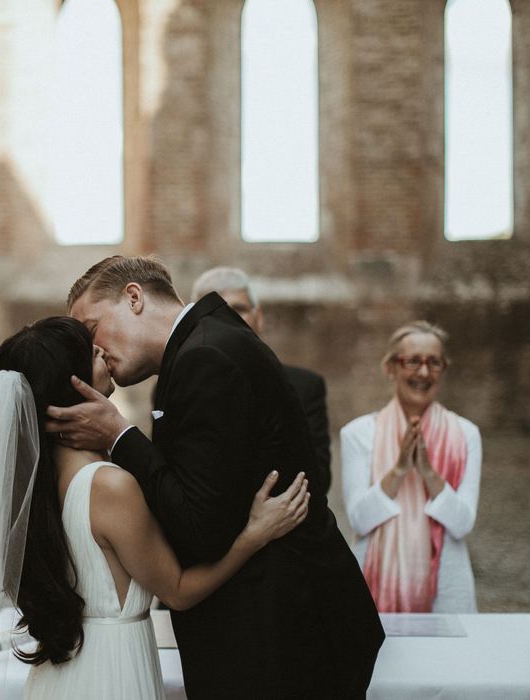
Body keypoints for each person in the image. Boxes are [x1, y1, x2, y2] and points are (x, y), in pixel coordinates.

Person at [0, 317, 310, 700]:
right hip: (112, 671)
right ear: (72, 384)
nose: (102, 350)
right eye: (90, 350)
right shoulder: (110, 485)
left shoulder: (36, 484)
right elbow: (179, 590)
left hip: (62, 672)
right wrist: (253, 536)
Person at [47, 255, 384, 700]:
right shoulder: (202, 345)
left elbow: (199, 530)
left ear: (134, 298)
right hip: (277, 626)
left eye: (92, 330)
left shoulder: (203, 358)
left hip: (279, 636)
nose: (96, 350)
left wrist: (119, 436)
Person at [340, 320, 481, 613]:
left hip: (446, 588)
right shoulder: (358, 433)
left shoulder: (466, 434)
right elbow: (359, 520)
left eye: (434, 362)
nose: (424, 372)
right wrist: (400, 469)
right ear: (390, 368)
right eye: (412, 361)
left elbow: (462, 523)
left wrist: (429, 473)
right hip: (373, 587)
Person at [190, 266, 332, 496]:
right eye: (216, 312)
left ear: (259, 317)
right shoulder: (179, 387)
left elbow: (317, 478)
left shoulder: (305, 387)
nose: (230, 319)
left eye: (239, 309)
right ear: (197, 322)